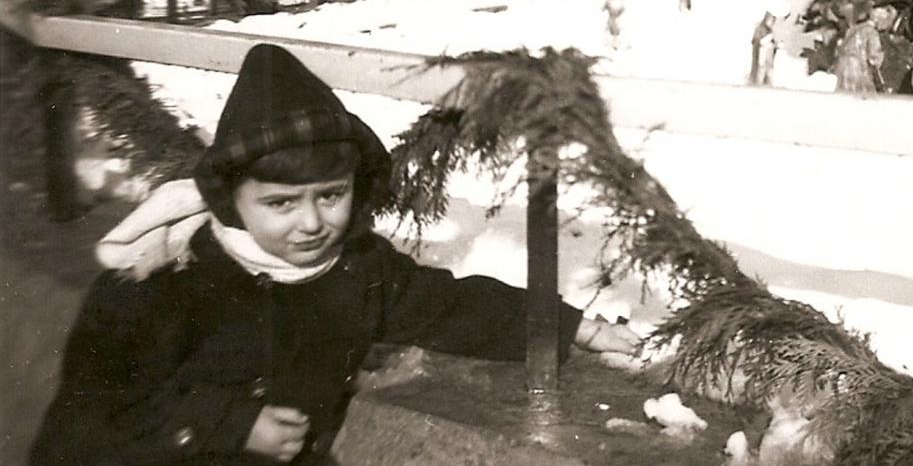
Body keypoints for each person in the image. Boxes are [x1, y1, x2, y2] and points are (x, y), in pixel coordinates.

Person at [31, 44, 639, 465]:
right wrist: (229, 426)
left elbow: (452, 307)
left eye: (331, 195)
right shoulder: (161, 279)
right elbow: (92, 414)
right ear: (230, 198)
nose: (312, 223)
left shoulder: (356, 269)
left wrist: (571, 325)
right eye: (280, 203)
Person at [834, 0, 886, 93]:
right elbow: (874, 58)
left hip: (843, 66)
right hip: (857, 68)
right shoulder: (871, 32)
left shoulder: (853, 29)